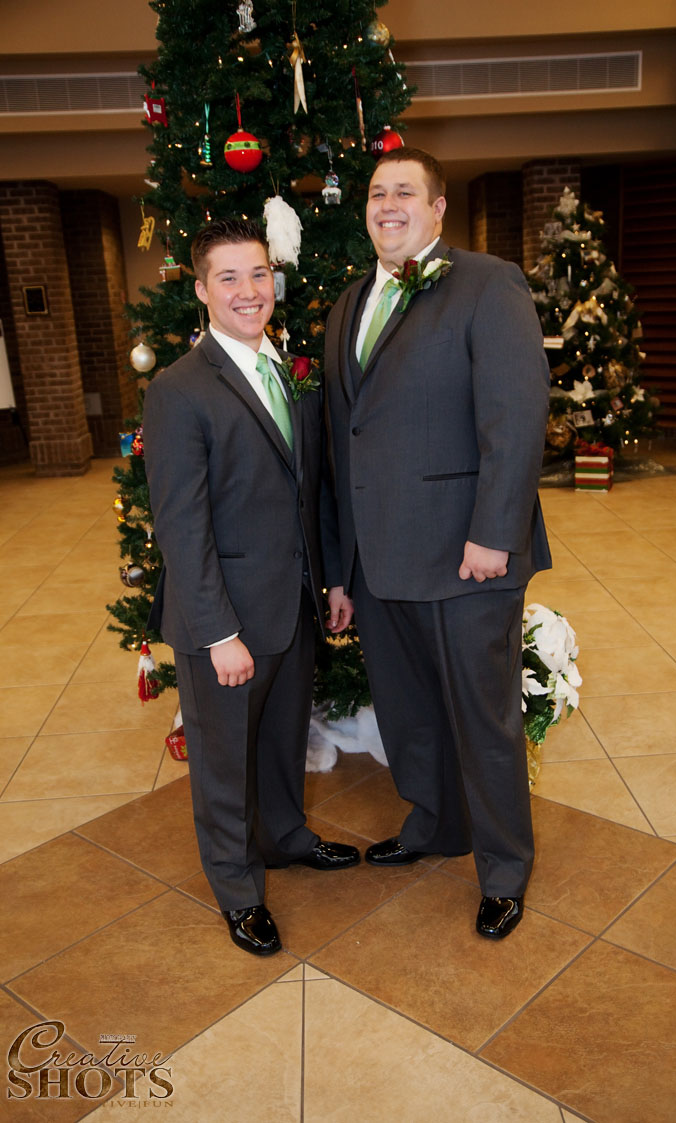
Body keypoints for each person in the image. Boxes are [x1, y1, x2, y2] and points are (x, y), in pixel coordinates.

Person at [324, 149, 551, 940]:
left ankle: (503, 868)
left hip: (466, 557)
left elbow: (516, 414)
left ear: (437, 207)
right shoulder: (349, 303)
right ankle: (434, 823)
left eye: (404, 192)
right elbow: (344, 445)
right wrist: (340, 568)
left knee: (483, 721)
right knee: (409, 712)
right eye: (376, 193)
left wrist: (493, 532)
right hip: (378, 560)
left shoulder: (487, 283)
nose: (388, 205)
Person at [143, 218, 358, 957]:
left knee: (280, 739)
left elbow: (310, 489)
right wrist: (217, 632)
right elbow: (182, 525)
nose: (248, 290)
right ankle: (237, 889)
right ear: (202, 291)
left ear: (275, 280)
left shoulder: (287, 372)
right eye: (228, 277)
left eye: (258, 273)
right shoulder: (179, 390)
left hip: (291, 603)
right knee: (225, 761)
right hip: (226, 621)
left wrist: (330, 580)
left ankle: (286, 836)